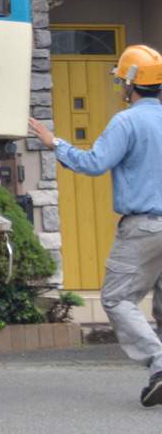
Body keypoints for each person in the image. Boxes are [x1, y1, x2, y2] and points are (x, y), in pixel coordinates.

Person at [29, 43, 162, 408]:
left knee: (117, 298)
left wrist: (53, 142)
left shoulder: (128, 121)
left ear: (130, 82)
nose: (119, 85)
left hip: (144, 228)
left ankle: (159, 364)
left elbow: (93, 163)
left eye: (121, 79)